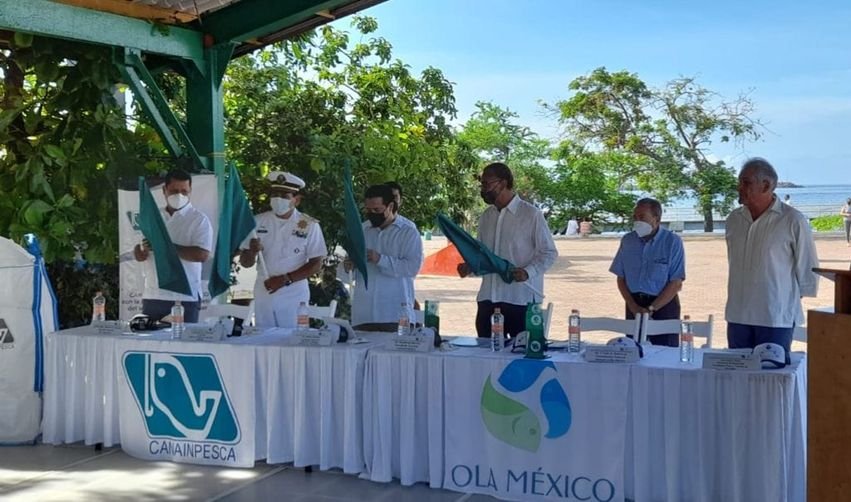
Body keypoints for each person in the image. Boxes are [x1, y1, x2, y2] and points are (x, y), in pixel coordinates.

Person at [726, 158, 819, 356]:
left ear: (766, 185)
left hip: (775, 318)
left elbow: (807, 267)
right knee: (736, 379)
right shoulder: (734, 220)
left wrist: (780, 298)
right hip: (738, 314)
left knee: (772, 379)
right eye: (740, 182)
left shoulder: (793, 220)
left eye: (746, 182)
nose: (739, 187)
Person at [458, 162, 558, 339]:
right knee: (486, 359)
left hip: (521, 300)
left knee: (524, 360)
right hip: (488, 299)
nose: (483, 189)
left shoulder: (531, 214)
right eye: (482, 184)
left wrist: (528, 272)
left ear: (503, 184)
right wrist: (470, 267)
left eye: (487, 184)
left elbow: (549, 252)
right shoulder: (486, 217)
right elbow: (482, 255)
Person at [239, 171, 327, 328]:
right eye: (275, 195)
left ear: (297, 200)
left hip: (293, 292)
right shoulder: (257, 222)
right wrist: (252, 252)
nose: (278, 199)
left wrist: (285, 279)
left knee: (292, 339)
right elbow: (245, 262)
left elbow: (316, 263)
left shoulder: (309, 225)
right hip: (264, 288)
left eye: (284, 196)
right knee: (263, 339)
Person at [134, 169, 213, 323]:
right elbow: (139, 249)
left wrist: (165, 248)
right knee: (149, 345)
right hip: (153, 294)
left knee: (184, 346)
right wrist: (140, 253)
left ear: (190, 191)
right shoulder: (153, 217)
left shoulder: (199, 220)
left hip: (184, 295)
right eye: (174, 191)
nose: (179, 195)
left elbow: (201, 255)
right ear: (164, 190)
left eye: (184, 191)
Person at [610, 198, 685, 346]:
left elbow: (676, 282)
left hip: (664, 305)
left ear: (656, 219)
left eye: (642, 217)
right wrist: (632, 305)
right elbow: (621, 278)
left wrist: (652, 308)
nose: (637, 221)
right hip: (634, 304)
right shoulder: (628, 241)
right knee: (633, 351)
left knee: (666, 353)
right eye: (635, 217)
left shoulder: (672, 241)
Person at [350, 184, 423, 331]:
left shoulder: (408, 232)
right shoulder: (362, 230)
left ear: (390, 206)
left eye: (377, 210)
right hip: (363, 314)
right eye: (368, 210)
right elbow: (348, 273)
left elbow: (412, 268)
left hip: (394, 313)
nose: (372, 214)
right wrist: (348, 266)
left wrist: (380, 259)